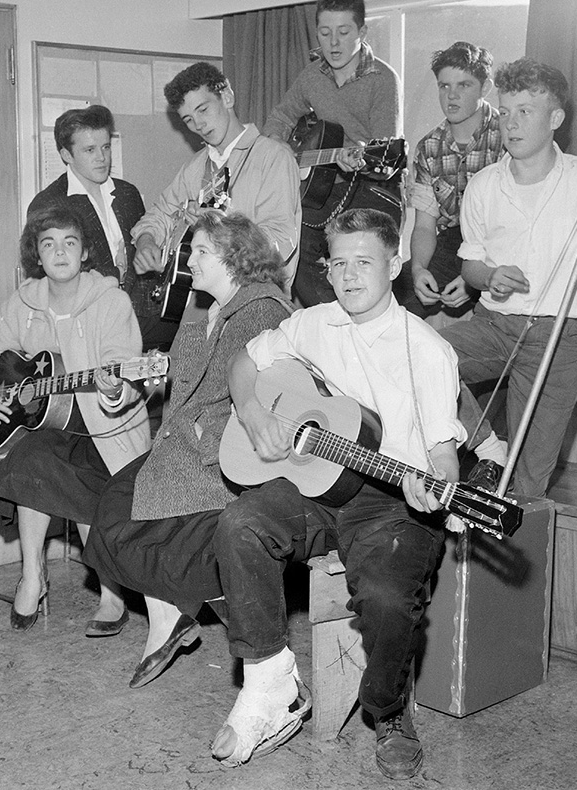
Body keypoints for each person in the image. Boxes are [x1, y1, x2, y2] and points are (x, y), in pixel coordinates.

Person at [213, 207, 466, 778]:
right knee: (239, 523)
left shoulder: (426, 349)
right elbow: (243, 363)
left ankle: (389, 711)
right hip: (319, 486)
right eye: (339, 263)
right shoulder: (312, 323)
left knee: (386, 597)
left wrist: (438, 486)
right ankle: (270, 683)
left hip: (392, 497)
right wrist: (251, 410)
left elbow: (442, 453)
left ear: (395, 264)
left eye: (365, 262)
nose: (350, 276)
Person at [83, 210, 292, 686]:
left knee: (129, 513)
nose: (188, 262)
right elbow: (174, 383)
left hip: (225, 455)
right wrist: (123, 384)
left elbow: (263, 393)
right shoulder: (203, 310)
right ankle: (169, 616)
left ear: (234, 257)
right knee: (116, 504)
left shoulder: (263, 308)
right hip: (184, 446)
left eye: (200, 252)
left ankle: (172, 619)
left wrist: (200, 435)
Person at [0, 204, 151, 634]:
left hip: (108, 431)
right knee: (30, 457)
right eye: (49, 245)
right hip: (54, 427)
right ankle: (32, 575)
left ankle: (111, 592)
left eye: (70, 243)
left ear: (85, 252)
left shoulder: (110, 302)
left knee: (69, 472)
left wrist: (114, 387)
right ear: (37, 254)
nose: (60, 252)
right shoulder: (22, 303)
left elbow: (124, 368)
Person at [440, 58, 577, 498]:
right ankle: (488, 445)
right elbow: (470, 265)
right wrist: (490, 277)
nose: (511, 123)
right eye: (505, 112)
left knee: (525, 488)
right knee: (421, 354)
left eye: (525, 111)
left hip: (560, 340)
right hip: (494, 325)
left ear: (556, 119)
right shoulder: (484, 185)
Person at [263, 0, 402, 307]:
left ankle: (348, 323)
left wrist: (361, 161)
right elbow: (283, 115)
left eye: (343, 33)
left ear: (362, 32)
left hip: (373, 186)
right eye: (325, 33)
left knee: (349, 257)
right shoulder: (312, 75)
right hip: (323, 186)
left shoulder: (382, 80)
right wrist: (277, 149)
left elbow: (383, 150)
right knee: (295, 254)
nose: (333, 43)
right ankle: (332, 323)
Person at [132, 61, 301, 308]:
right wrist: (147, 240)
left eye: (203, 110)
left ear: (227, 97)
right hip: (203, 307)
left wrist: (220, 227)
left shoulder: (272, 157)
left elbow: (279, 242)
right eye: (188, 119)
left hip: (258, 303)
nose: (198, 125)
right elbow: (160, 213)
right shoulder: (195, 168)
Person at [27, 105, 172, 350]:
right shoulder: (48, 204)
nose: (102, 158)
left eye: (106, 147)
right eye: (90, 150)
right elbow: (56, 283)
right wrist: (116, 272)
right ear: (66, 155)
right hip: (90, 330)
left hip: (146, 319)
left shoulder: (127, 193)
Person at [398, 41, 504, 319]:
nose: (451, 96)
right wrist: (419, 269)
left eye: (464, 85)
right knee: (396, 298)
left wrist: (474, 281)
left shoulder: (508, 135)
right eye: (444, 86)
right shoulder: (428, 147)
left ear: (486, 88)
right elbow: (423, 226)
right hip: (454, 241)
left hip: (503, 243)